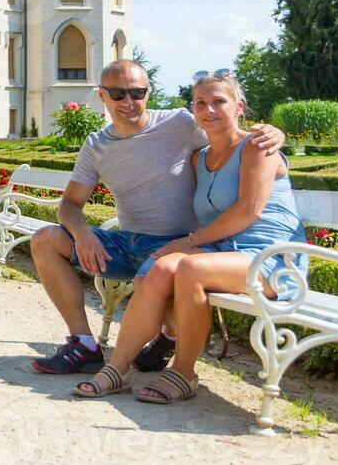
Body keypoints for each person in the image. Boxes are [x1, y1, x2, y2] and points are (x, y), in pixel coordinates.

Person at [28, 59, 285, 376]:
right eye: (118, 93)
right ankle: (84, 345)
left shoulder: (179, 123)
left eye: (137, 92)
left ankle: (168, 338)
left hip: (177, 246)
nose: (128, 102)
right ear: (102, 96)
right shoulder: (96, 145)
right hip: (125, 243)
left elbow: (229, 136)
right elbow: (69, 204)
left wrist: (273, 133)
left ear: (148, 92)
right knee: (45, 240)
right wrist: (82, 234)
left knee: (158, 273)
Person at [73, 71, 306, 403]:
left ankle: (184, 373)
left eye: (218, 102)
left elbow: (247, 212)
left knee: (189, 268)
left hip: (272, 260)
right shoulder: (200, 157)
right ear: (193, 111)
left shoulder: (258, 147)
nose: (208, 110)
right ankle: (118, 368)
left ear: (239, 107)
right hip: (224, 254)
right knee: (160, 269)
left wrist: (189, 242)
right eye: (200, 103)